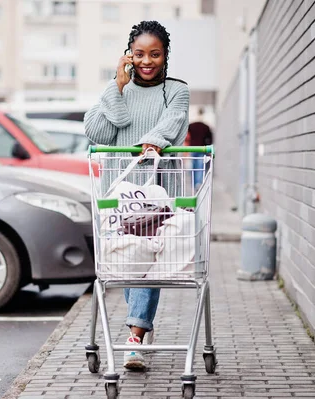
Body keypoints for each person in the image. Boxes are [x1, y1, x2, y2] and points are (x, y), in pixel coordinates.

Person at [84, 20, 190, 370]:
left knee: (148, 262)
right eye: (140, 54)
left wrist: (152, 143)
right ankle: (141, 330)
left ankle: (134, 337)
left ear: (165, 55)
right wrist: (117, 84)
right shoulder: (119, 88)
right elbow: (98, 131)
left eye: (155, 54)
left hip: (158, 188)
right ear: (129, 55)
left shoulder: (177, 90)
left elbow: (173, 123)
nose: (147, 61)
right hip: (119, 190)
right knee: (130, 261)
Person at [187, 108, 214, 189]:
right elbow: (210, 139)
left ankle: (194, 183)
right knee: (200, 168)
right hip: (202, 149)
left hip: (192, 149)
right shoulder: (206, 127)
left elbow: (186, 136)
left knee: (194, 167)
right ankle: (198, 184)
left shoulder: (191, 126)